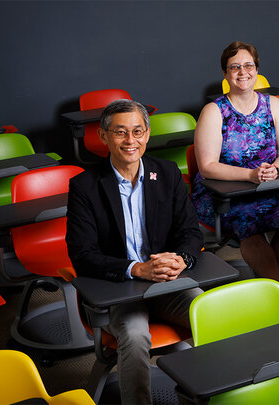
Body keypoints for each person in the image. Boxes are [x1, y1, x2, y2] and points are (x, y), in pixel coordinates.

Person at [66, 99, 204, 405]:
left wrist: (182, 258)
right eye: (120, 133)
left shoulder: (166, 173)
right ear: (103, 136)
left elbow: (191, 233)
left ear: (148, 134)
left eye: (137, 131)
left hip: (167, 284)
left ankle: (211, 393)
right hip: (118, 289)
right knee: (136, 334)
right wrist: (136, 269)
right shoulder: (84, 186)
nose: (131, 141)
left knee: (210, 311)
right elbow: (82, 254)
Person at [192, 41, 279, 310]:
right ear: (225, 73)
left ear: (257, 69)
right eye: (235, 67)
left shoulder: (273, 104)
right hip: (222, 193)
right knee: (249, 226)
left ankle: (273, 296)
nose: (243, 72)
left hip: (266, 184)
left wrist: (275, 168)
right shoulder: (214, 111)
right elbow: (207, 166)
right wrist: (250, 174)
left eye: (248, 65)